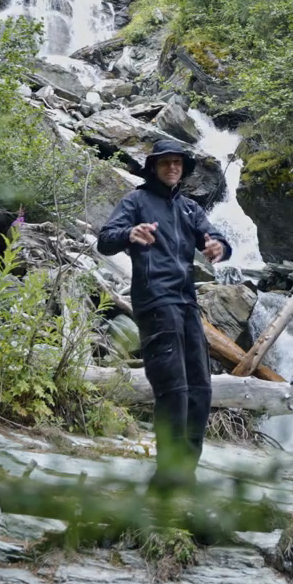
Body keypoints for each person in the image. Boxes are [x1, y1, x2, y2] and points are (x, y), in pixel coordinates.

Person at [96, 138, 231, 490]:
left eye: (178, 163)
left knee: (200, 389)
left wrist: (218, 246)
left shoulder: (189, 208)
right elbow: (105, 240)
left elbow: (217, 238)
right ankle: (167, 476)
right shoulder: (136, 201)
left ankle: (185, 474)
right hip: (155, 301)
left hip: (187, 304)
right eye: (166, 162)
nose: (173, 168)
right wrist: (130, 233)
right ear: (154, 167)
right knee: (173, 389)